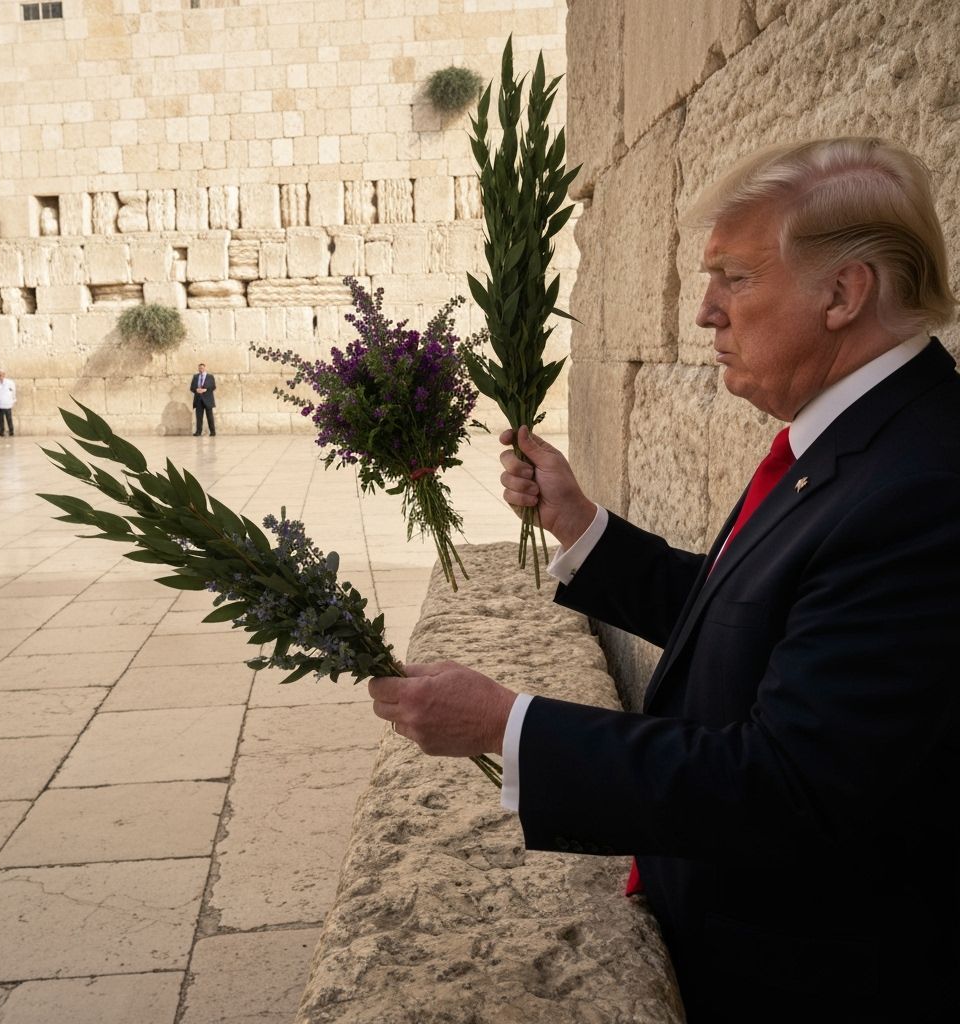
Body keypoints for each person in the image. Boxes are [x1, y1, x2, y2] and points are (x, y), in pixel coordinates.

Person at [368, 138, 960, 1023]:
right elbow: (761, 618)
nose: (705, 314)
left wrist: (508, 724)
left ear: (843, 294)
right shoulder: (857, 437)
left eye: (736, 278)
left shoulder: (923, 486)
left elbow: (787, 787)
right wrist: (581, 529)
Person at [190, 361, 216, 436]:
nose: (201, 369)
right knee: (199, 417)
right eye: (199, 368)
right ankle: (198, 432)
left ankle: (213, 432)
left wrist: (206, 390)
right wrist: (196, 390)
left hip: (208, 399)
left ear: (204, 368)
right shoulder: (195, 377)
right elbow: (192, 388)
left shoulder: (210, 376)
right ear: (198, 369)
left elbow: (213, 387)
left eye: (202, 368)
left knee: (210, 417)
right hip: (198, 399)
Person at [0, 369, 16, 436]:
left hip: (7, 403)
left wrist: (13, 401)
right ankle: (2, 431)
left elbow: (13, 392)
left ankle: (11, 431)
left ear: (4, 375)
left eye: (1, 375)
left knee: (9, 418)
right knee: (0, 419)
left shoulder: (10, 382)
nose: (0, 377)